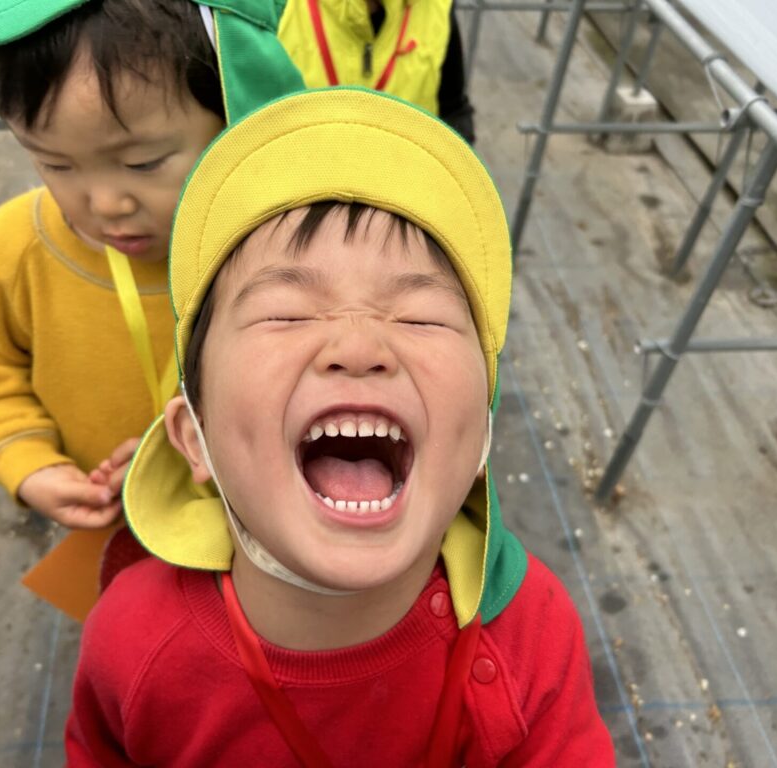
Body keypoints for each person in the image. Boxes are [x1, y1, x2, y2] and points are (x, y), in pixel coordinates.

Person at [66, 87, 614, 765]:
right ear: (192, 438)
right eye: (287, 313)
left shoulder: (531, 636)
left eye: (421, 317)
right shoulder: (130, 641)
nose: (359, 346)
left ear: (482, 436)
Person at [0, 0, 303, 620]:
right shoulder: (18, 248)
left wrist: (213, 460)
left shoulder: (292, 257)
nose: (105, 203)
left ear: (237, 114)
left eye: (142, 163)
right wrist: (27, 462)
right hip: (111, 527)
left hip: (261, 538)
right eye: (54, 162)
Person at [278, 0, 476, 141]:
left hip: (404, 183)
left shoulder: (436, 7)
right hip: (303, 183)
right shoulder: (277, 9)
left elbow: (453, 110)